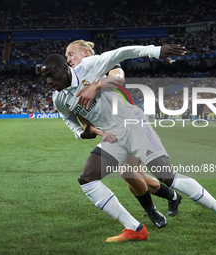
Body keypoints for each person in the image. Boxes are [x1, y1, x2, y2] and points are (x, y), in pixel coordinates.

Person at [41, 44, 216, 242]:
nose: (49, 81)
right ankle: (134, 228)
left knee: (167, 175)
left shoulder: (89, 66)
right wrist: (79, 132)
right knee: (87, 179)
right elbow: (67, 117)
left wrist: (156, 51)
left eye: (51, 75)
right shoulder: (59, 97)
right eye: (45, 78)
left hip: (133, 124)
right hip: (114, 137)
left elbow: (122, 53)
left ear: (64, 68)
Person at [65, 40, 182, 228]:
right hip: (113, 133)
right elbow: (83, 119)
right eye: (66, 57)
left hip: (131, 124)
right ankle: (173, 196)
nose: (68, 59)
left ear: (86, 52)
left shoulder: (104, 63)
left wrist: (95, 85)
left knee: (128, 172)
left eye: (71, 54)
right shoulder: (74, 84)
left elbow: (118, 78)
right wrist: (99, 132)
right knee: (136, 174)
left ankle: (153, 211)